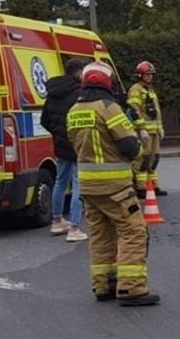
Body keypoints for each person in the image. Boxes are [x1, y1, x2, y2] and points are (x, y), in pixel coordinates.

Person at [67, 61, 160, 307]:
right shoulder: (109, 108)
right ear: (108, 83)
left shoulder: (74, 110)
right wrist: (140, 148)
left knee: (100, 235)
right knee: (133, 232)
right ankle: (131, 288)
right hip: (114, 187)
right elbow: (130, 147)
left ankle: (103, 284)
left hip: (87, 187)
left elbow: (71, 144)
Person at [41, 58, 88, 242]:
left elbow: (44, 120)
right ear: (79, 72)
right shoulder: (79, 93)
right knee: (78, 185)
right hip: (76, 145)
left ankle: (57, 221)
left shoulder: (52, 92)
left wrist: (57, 134)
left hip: (60, 146)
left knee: (60, 182)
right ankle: (75, 228)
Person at [127, 60, 165, 198]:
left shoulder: (150, 90)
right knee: (143, 158)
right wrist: (141, 129)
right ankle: (140, 187)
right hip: (143, 132)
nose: (149, 77)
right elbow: (134, 110)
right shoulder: (136, 90)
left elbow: (156, 111)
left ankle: (152, 186)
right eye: (146, 74)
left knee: (154, 158)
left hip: (154, 131)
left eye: (151, 74)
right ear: (140, 75)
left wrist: (160, 128)